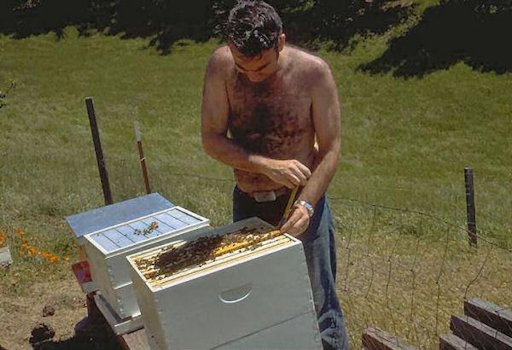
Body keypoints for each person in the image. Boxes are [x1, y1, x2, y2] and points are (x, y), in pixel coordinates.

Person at [201, 1, 349, 349]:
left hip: (301, 207)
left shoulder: (314, 73)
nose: (252, 75)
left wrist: (308, 204)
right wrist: (267, 165)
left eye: (262, 66)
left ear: (280, 42)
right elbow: (211, 139)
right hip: (248, 205)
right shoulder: (221, 66)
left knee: (320, 307)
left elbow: (330, 149)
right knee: (260, 302)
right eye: (243, 67)